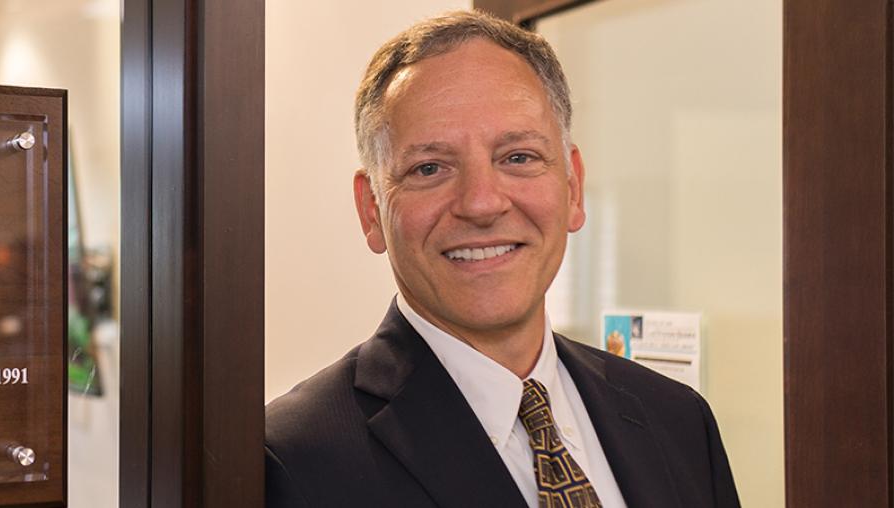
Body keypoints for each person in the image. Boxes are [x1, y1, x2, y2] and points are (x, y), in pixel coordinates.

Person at [264, 10, 739, 508]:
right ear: (371, 210)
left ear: (573, 188)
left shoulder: (680, 422)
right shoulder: (293, 463)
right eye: (430, 167)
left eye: (518, 157)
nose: (482, 203)